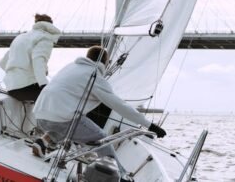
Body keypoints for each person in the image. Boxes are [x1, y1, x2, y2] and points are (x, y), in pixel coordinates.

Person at [32, 46, 166, 182]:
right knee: (101, 139)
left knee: (65, 125)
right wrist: (149, 125)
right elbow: (120, 105)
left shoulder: (71, 67)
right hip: (61, 119)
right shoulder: (94, 76)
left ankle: (42, 141)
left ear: (87, 56)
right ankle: (121, 176)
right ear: (105, 62)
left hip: (40, 114)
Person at [0, 13, 61, 102]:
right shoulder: (46, 38)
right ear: (51, 26)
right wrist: (44, 85)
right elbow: (38, 60)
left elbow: (2, 63)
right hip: (27, 88)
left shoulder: (21, 37)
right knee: (58, 98)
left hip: (11, 88)